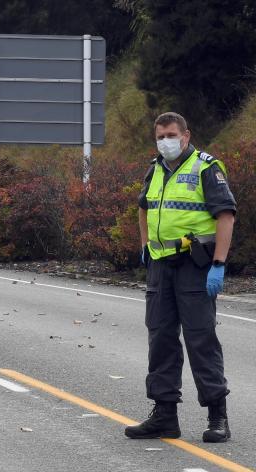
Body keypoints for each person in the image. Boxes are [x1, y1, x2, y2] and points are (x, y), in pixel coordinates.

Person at [125, 112, 236, 443]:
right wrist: (144, 243)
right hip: (160, 266)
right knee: (160, 339)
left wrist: (219, 263)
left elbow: (226, 216)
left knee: (201, 340)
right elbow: (143, 206)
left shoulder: (205, 167)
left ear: (186, 136)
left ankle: (218, 417)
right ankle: (164, 415)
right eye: (160, 136)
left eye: (171, 135)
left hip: (194, 265)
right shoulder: (155, 167)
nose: (165, 141)